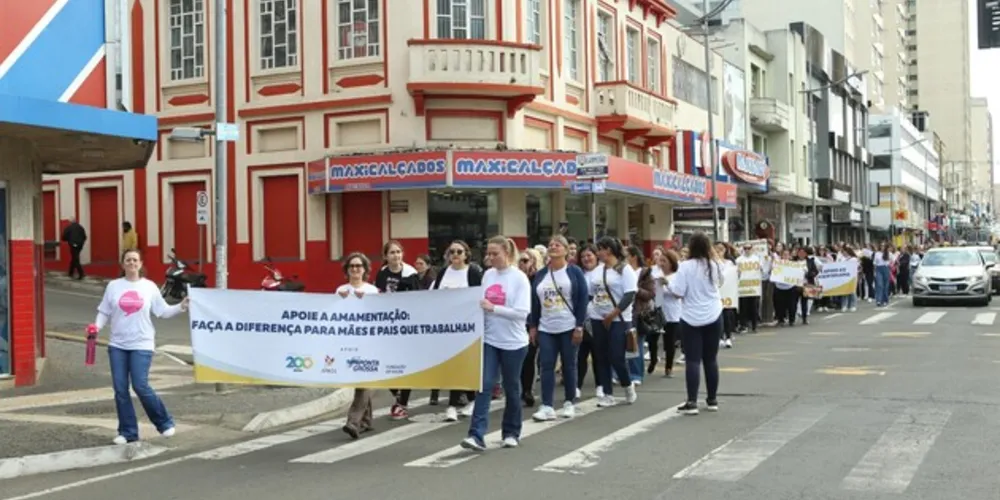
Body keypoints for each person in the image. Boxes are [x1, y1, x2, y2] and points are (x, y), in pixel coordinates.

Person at [89, 249, 187, 444]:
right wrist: (96, 327)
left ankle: (164, 422)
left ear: (140, 264)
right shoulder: (113, 286)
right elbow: (104, 312)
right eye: (128, 260)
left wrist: (181, 306)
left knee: (140, 385)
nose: (131, 263)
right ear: (122, 264)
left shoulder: (149, 287)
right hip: (117, 344)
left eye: (135, 260)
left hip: (142, 344)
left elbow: (163, 311)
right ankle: (128, 432)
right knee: (120, 389)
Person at [462, 236, 531, 452]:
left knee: (512, 387)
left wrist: (494, 308)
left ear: (507, 254)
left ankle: (511, 432)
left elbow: (522, 313)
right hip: (491, 339)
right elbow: (480, 304)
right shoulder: (488, 275)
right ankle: (476, 435)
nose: (490, 258)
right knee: (485, 384)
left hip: (514, 342)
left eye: (495, 254)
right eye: (488, 254)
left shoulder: (519, 278)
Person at [528, 235, 588, 421]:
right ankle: (547, 405)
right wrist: (533, 325)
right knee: (546, 365)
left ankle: (569, 401)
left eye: (557, 245)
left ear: (566, 250)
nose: (553, 247)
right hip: (546, 327)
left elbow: (582, 300)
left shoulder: (574, 272)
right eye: (550, 245)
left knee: (569, 364)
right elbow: (534, 302)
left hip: (568, 326)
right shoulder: (541, 274)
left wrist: (579, 326)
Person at [666, 233, 723, 415]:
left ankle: (692, 401)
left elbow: (678, 292)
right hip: (713, 314)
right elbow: (720, 284)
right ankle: (712, 400)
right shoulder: (715, 265)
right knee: (711, 359)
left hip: (690, 317)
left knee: (692, 360)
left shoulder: (685, 266)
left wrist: (668, 285)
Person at [431, 240, 484, 421]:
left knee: (464, 364)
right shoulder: (443, 272)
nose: (455, 255)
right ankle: (466, 401)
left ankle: (456, 404)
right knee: (453, 365)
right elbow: (435, 296)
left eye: (459, 251)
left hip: (467, 326)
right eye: (452, 251)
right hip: (447, 327)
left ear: (466, 254)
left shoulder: (472, 272)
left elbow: (479, 295)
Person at [588, 237, 639, 407]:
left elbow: (629, 294)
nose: (597, 253)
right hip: (597, 317)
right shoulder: (597, 270)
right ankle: (607, 393)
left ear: (608, 250)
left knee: (617, 356)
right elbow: (591, 293)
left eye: (600, 249)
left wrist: (613, 313)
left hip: (619, 319)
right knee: (601, 356)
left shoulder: (624, 270)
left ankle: (627, 384)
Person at [375, 240, 420, 420]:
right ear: (386, 256)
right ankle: (397, 394)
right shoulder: (382, 273)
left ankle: (403, 404)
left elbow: (419, 298)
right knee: (385, 363)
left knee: (405, 363)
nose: (396, 256)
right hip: (387, 324)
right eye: (392, 252)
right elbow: (377, 294)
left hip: (406, 324)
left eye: (398, 252)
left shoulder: (410, 273)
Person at [338, 252, 381, 439]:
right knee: (361, 380)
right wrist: (340, 300)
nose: (355, 269)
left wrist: (367, 302)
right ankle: (366, 421)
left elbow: (379, 315)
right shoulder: (341, 290)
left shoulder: (372, 291)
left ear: (365, 269)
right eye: (352, 266)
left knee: (363, 381)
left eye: (358, 266)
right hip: (349, 341)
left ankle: (353, 421)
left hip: (368, 342)